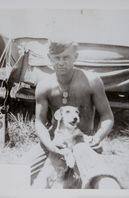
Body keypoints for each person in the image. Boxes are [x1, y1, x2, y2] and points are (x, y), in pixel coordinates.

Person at [31, 40, 114, 187]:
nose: (61, 62)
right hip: (55, 139)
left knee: (98, 176)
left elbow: (107, 116)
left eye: (66, 57)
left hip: (83, 138)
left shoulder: (92, 81)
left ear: (75, 57)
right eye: (56, 57)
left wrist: (97, 138)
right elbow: (39, 121)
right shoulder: (44, 86)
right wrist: (50, 145)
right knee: (25, 171)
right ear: (49, 58)